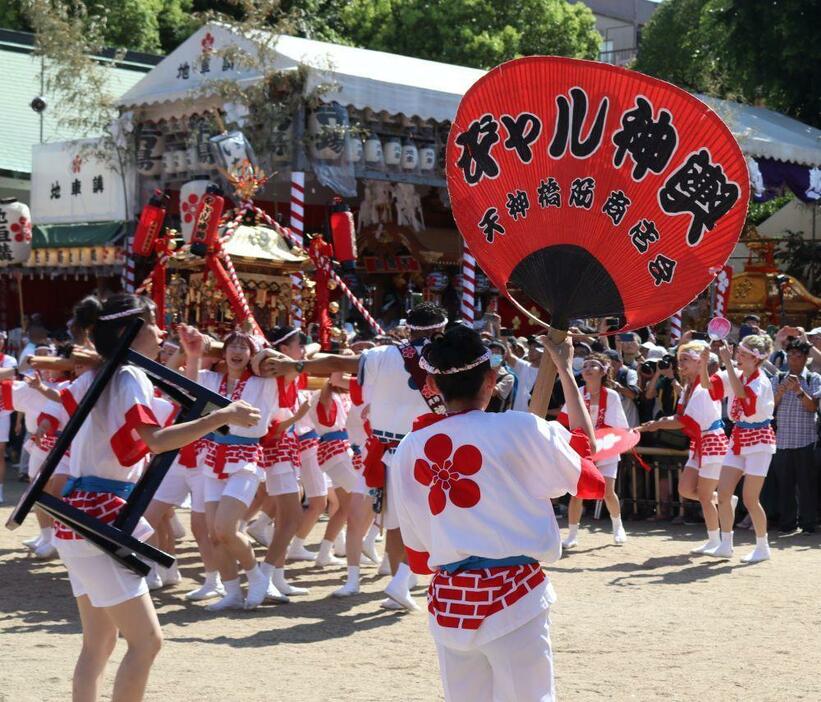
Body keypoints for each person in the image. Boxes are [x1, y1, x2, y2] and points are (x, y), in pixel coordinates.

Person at [50, 294, 259, 702]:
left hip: (80, 517)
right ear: (133, 330)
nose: (161, 330)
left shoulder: (101, 373)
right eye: (153, 323)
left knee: (98, 645)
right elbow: (158, 441)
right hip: (102, 519)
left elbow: (174, 410)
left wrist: (193, 362)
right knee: (145, 643)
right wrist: (221, 416)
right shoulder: (127, 376)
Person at [391, 324, 603, 702]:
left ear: (434, 387)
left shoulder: (411, 445)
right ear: (492, 378)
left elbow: (418, 549)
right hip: (515, 593)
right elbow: (587, 470)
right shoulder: (521, 428)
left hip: (451, 601)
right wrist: (565, 368)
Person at [258, 302, 450, 611]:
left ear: (408, 328)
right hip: (425, 451)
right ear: (441, 328)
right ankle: (401, 578)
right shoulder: (450, 358)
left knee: (393, 520)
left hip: (381, 450)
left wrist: (295, 367)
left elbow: (337, 361)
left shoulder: (383, 355)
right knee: (418, 521)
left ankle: (392, 577)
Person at [178, 325, 284, 610]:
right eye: (232, 346)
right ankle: (233, 592)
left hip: (246, 458)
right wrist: (194, 352)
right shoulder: (211, 379)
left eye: (243, 347)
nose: (237, 352)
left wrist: (259, 351)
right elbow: (188, 391)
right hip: (213, 457)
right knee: (213, 535)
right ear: (222, 353)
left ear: (252, 355)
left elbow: (274, 359)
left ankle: (257, 576)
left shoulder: (264, 383)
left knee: (226, 527)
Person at [639, 342, 730, 553]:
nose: (681, 364)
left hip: (712, 442)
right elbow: (681, 417)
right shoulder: (688, 387)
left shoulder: (702, 387)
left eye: (685, 359)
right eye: (679, 360)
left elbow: (684, 421)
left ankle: (717, 540)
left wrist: (657, 424)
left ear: (701, 362)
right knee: (686, 489)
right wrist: (656, 423)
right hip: (699, 442)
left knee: (705, 496)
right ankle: (724, 502)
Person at [706, 335, 777, 562]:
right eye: (739, 353)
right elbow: (711, 386)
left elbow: (743, 396)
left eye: (744, 355)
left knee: (750, 498)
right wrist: (706, 362)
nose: (739, 357)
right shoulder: (738, 374)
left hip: (760, 441)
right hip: (738, 437)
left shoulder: (760, 381)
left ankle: (762, 546)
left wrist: (726, 362)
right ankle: (726, 544)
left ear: (757, 359)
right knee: (724, 493)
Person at [559, 353, 629, 547]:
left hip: (607, 446)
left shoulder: (612, 395)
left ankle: (618, 526)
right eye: (585, 365)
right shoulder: (576, 392)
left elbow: (617, 426)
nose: (588, 368)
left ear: (604, 371)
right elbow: (564, 420)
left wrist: (598, 441)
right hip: (582, 448)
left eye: (593, 365)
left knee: (607, 491)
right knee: (577, 492)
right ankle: (572, 535)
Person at [770, 340, 820, 533]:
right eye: (790, 356)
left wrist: (799, 391)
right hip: (782, 441)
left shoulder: (813, 378)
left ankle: (808, 524)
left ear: (806, 358)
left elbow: (813, 407)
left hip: (806, 440)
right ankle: (787, 523)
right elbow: (770, 407)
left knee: (807, 486)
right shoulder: (778, 377)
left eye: (798, 356)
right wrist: (781, 392)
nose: (793, 360)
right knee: (785, 486)